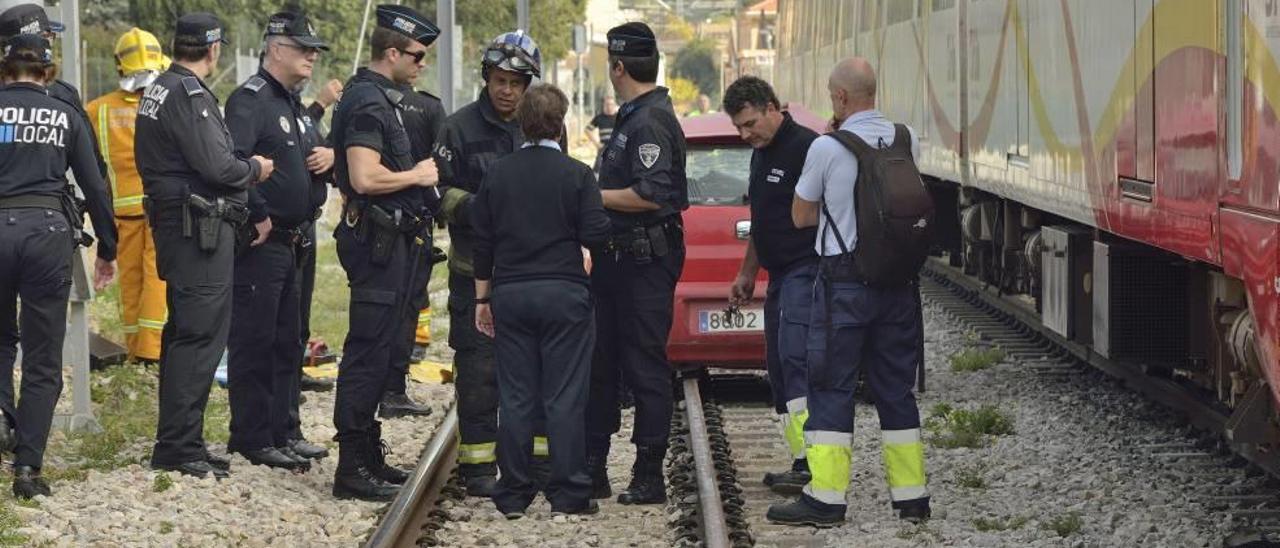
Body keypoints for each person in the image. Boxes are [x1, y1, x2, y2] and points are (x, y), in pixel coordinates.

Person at [766, 57, 930, 526]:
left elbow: (800, 215)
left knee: (830, 386)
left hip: (843, 285)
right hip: (897, 284)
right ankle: (912, 498)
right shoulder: (906, 138)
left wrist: (842, 216)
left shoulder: (827, 147)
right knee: (895, 390)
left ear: (840, 98)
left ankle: (827, 498)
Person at [136, 12, 274, 480]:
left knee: (183, 334)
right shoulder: (188, 94)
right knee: (199, 337)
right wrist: (254, 168)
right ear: (214, 50)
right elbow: (219, 167)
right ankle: (179, 447)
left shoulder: (159, 88)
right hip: (198, 231)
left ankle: (180, 440)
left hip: (181, 227)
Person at [472, 83, 610, 518]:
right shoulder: (577, 174)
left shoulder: (498, 173)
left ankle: (513, 492)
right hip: (564, 294)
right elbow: (596, 234)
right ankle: (568, 494)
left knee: (516, 396)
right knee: (564, 396)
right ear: (562, 122)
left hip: (511, 294)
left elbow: (482, 240)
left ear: (522, 122)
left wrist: (482, 299)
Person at [329, 4, 439, 501]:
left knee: (383, 348)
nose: (421, 64)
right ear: (390, 52)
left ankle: (368, 453)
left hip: (392, 242)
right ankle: (351, 466)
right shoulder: (370, 103)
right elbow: (363, 177)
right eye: (416, 55)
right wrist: (417, 175)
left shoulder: (379, 96)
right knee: (368, 352)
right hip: (376, 244)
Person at [0, 33, 117, 498]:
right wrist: (108, 246)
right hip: (47, 234)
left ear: (5, 68)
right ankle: (28, 468)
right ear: (47, 71)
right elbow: (94, 184)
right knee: (43, 356)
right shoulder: (65, 114)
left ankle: (2, 417)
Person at [433, 29, 547, 497]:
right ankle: (478, 467)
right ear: (487, 77)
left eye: (517, 83)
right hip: (471, 271)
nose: (507, 90)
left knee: (536, 370)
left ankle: (539, 465)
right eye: (500, 79)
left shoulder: (540, 127)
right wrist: (477, 207)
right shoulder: (457, 129)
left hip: (530, 273)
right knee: (479, 372)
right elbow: (435, 190)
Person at [223, 9, 334, 471]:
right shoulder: (251, 101)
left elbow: (305, 155)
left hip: (298, 238)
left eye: (314, 50)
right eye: (304, 48)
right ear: (276, 48)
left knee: (291, 338)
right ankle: (252, 435)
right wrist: (260, 214)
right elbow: (234, 163)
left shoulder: (291, 102)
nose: (312, 57)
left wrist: (327, 158)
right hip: (265, 241)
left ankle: (285, 428)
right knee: (257, 339)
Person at [585, 21, 688, 505]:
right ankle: (594, 467)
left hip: (644, 261)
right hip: (617, 260)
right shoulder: (635, 115)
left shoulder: (648, 121)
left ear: (618, 66)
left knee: (644, 366)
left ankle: (649, 474)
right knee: (601, 362)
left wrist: (592, 196)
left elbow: (651, 194)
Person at [723, 76, 819, 495]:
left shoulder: (809, 148)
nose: (746, 135)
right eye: (739, 128)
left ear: (770, 107)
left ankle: (815, 461)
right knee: (779, 366)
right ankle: (802, 458)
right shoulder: (761, 154)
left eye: (749, 124)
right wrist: (747, 273)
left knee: (796, 359)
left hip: (809, 269)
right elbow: (762, 222)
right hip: (779, 274)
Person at [87, 28, 169, 365]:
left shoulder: (97, 110)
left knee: (132, 283)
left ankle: (136, 349)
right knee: (157, 281)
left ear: (120, 66)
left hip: (122, 213)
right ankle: (152, 351)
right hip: (161, 209)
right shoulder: (165, 105)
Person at [386, 57, 447, 419]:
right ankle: (393, 387)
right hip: (415, 226)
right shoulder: (429, 107)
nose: (423, 64)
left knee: (378, 312)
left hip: (372, 228)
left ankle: (382, 388)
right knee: (408, 307)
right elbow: (439, 169)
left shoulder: (363, 100)